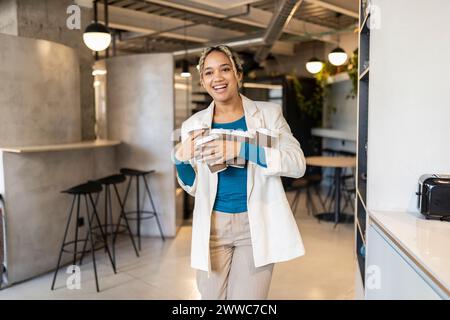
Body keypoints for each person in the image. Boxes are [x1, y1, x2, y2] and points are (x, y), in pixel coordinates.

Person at [173, 45, 306, 300]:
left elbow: (296, 164)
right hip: (213, 226)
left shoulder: (268, 114)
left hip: (255, 224)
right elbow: (195, 186)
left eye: (225, 69)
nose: (218, 78)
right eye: (209, 73)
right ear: (203, 81)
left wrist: (243, 148)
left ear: (238, 75)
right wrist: (180, 160)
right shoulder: (193, 125)